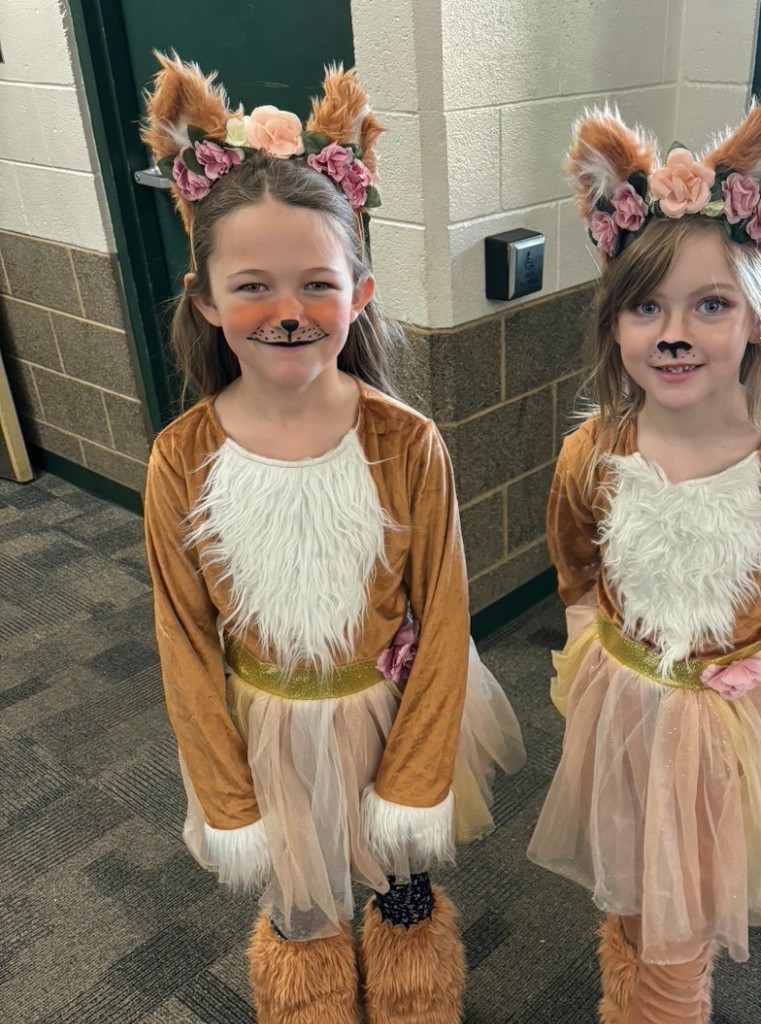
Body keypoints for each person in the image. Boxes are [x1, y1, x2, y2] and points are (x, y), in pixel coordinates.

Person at [139, 54, 524, 1024]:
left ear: (357, 294)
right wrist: (228, 798)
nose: (285, 311)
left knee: (399, 888)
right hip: (262, 729)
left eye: (315, 283)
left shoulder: (405, 443)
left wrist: (417, 771)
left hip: (391, 714)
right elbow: (183, 639)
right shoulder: (179, 458)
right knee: (303, 908)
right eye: (252, 285)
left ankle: (413, 1003)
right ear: (205, 300)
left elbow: (441, 613)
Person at [527, 80, 761, 1024]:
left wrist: (757, 671)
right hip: (621, 698)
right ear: (616, 322)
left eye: (710, 305)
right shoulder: (595, 452)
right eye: (646, 311)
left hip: (721, 730)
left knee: (682, 940)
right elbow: (576, 562)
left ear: (760, 312)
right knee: (632, 894)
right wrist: (595, 643)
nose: (673, 334)